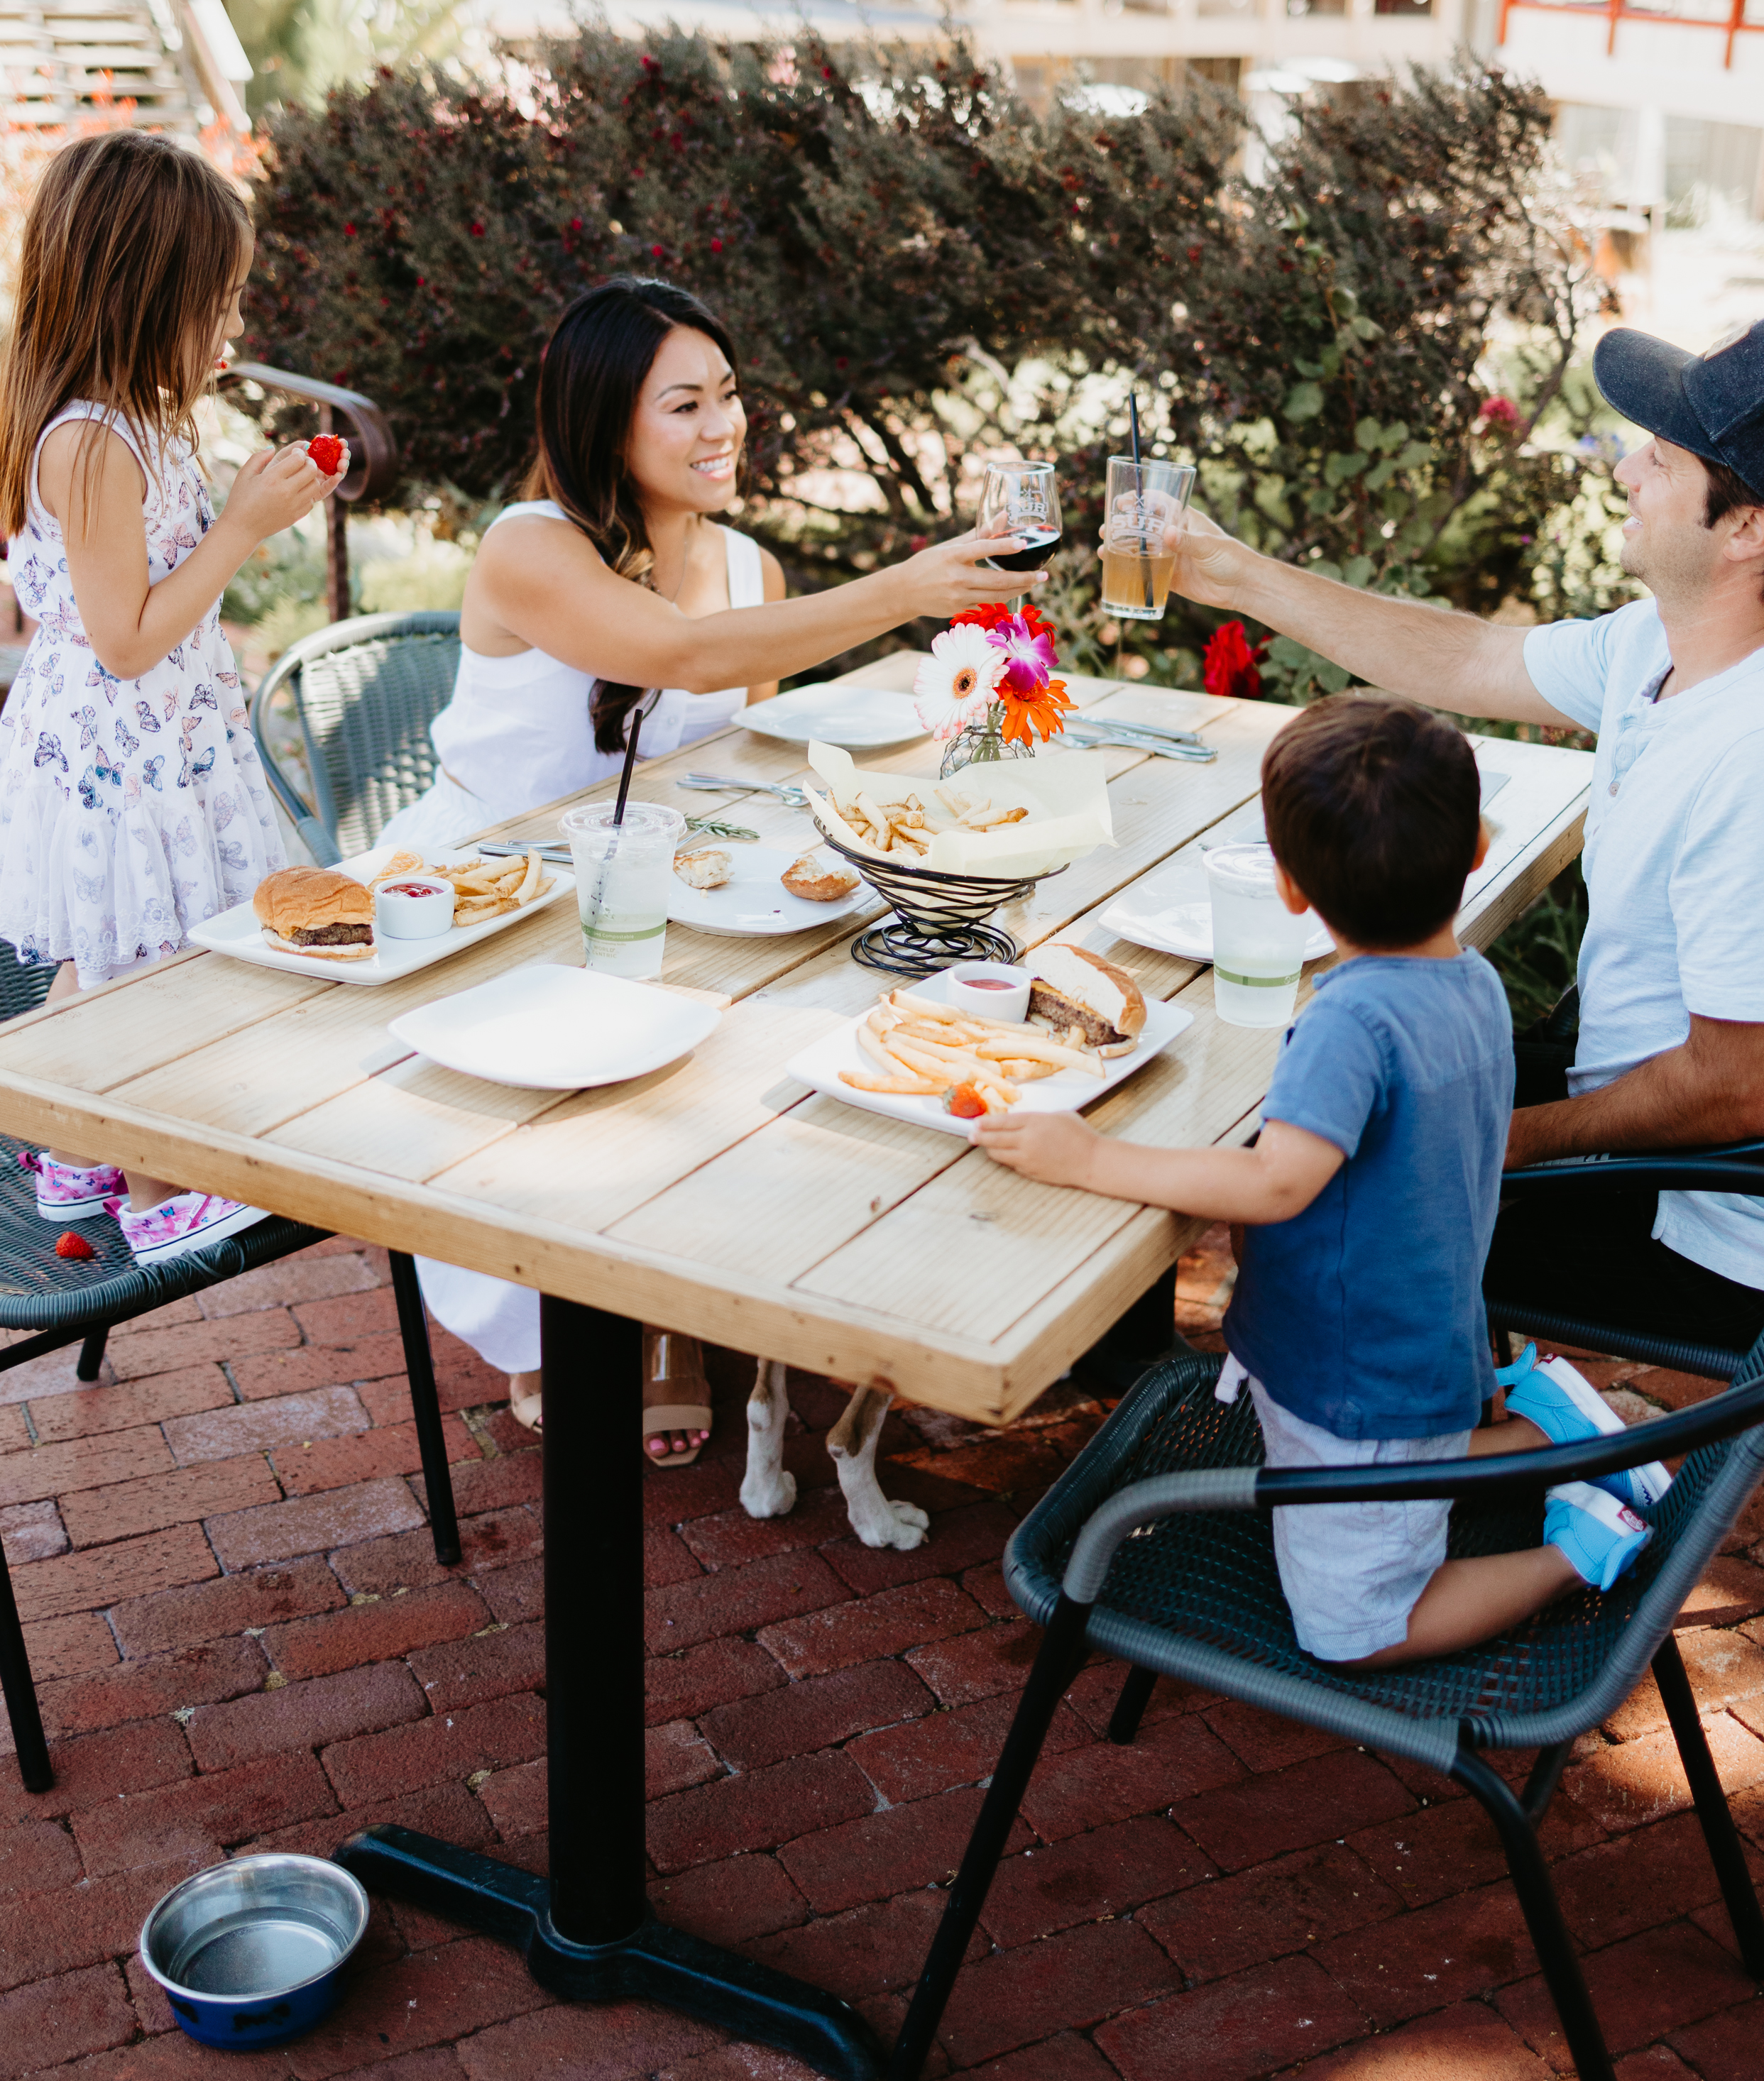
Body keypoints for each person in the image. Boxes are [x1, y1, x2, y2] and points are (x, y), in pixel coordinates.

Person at [380, 274, 1023, 1456]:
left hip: (670, 876)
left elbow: (736, 756)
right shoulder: (529, 548)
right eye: (683, 405)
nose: (722, 425)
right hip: (493, 889)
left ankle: (675, 1309)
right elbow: (674, 654)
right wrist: (905, 590)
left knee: (816, 995)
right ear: (603, 419)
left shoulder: (749, 569)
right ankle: (558, 1321)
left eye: (728, 394)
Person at [1161, 306, 1764, 1366]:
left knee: (1304, 1175)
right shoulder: (1670, 644)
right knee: (1298, 1080)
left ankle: (1348, 1461)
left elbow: (1736, 1090)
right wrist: (1236, 575)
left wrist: (1494, 1144)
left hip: (1705, 1230)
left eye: (1657, 461)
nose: (1623, 475)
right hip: (1622, 1107)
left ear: (1748, 529)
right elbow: (1470, 660)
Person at [976, 694, 1662, 1667]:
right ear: (1475, 849)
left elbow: (1277, 1185)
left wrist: (1088, 1158)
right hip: (1402, 1342)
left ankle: (1586, 1546)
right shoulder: (1467, 982)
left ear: (1288, 889)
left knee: (1353, 1629)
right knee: (1385, 1473)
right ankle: (1548, 1429)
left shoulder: (1349, 1021)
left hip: (1360, 1379)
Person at [0, 131, 345, 1264]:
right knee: (144, 963)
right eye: (220, 302)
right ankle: (156, 1194)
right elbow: (129, 639)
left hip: (140, 746)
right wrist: (242, 530)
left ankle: (67, 1144)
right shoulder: (91, 443)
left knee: (102, 947)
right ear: (144, 298)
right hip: (123, 754)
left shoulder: (113, 418)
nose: (234, 331)